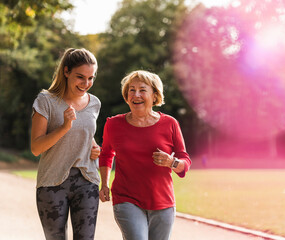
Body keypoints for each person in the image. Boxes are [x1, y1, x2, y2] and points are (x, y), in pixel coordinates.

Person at [99, 70, 191, 240]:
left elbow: (185, 162)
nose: (136, 95)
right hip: (126, 199)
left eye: (142, 90)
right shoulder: (114, 124)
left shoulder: (170, 124)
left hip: (163, 201)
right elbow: (106, 155)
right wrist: (104, 184)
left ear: (155, 95)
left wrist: (172, 162)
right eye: (131, 90)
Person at [31, 48, 101, 240]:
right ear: (66, 71)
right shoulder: (46, 101)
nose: (86, 84)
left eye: (91, 78)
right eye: (80, 77)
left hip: (87, 180)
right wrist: (64, 127)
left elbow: (87, 134)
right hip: (52, 183)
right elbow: (36, 148)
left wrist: (95, 148)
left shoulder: (94, 103)